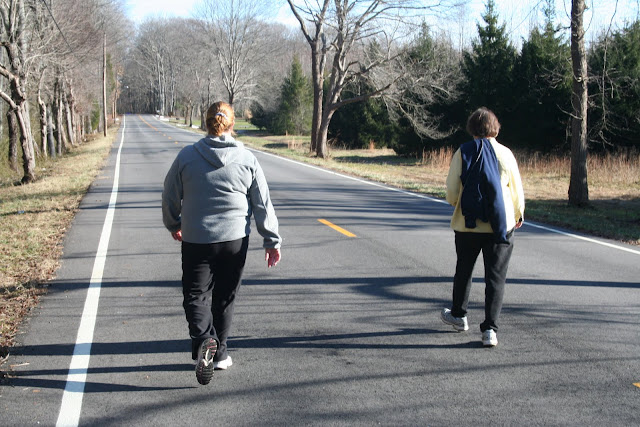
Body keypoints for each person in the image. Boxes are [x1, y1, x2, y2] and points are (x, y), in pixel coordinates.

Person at [162, 101, 282, 385]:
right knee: (225, 296)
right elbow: (262, 203)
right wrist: (271, 240)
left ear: (206, 123)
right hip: (234, 240)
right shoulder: (247, 158)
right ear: (232, 125)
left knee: (196, 295)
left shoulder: (187, 156)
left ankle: (205, 340)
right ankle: (220, 354)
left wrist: (174, 223)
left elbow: (169, 194)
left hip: (197, 239)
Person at [440, 107, 525, 347]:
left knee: (464, 271)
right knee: (495, 278)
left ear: (472, 128)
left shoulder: (464, 151)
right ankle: (490, 330)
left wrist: (458, 204)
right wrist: (517, 214)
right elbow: (516, 190)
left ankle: (459, 316)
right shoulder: (506, 154)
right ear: (495, 127)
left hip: (467, 225)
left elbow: (452, 191)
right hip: (501, 225)